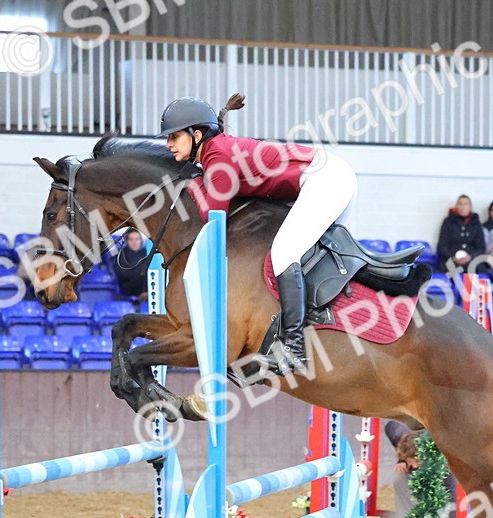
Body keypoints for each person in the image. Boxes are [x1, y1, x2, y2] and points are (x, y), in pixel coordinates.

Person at [161, 93, 352, 376]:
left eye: (175, 137)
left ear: (197, 134)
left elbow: (215, 216)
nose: (168, 144)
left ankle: (295, 350)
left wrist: (194, 184)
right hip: (330, 176)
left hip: (325, 180)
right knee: (300, 255)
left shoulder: (217, 156)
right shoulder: (216, 150)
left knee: (285, 253)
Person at [436, 195, 486, 274]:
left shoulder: (476, 224)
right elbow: (442, 246)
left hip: (471, 261)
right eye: (460, 204)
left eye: (466, 204)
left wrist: (470, 257)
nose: (463, 207)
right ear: (456, 206)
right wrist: (453, 257)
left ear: (470, 207)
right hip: (452, 261)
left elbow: (481, 248)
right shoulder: (448, 222)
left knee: (480, 269)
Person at [113, 228, 150, 299]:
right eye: (131, 239)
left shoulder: (146, 253)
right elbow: (121, 273)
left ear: (141, 240)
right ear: (127, 241)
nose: (134, 242)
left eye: (137, 239)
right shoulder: (121, 254)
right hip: (128, 291)